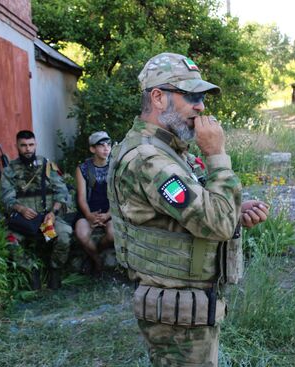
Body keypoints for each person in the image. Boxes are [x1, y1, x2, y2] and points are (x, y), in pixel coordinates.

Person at [107, 52, 269, 366]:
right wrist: (218, 155)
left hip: (186, 306)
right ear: (157, 97)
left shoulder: (164, 150)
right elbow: (217, 223)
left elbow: (191, 212)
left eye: (202, 98)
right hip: (177, 314)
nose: (201, 107)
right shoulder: (148, 158)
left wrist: (233, 209)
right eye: (191, 96)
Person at [1, 130, 72, 290]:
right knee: (10, 241)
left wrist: (53, 214)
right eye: (24, 145)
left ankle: (54, 270)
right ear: (17, 146)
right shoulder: (10, 170)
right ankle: (32, 269)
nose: (28, 149)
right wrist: (20, 209)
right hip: (23, 222)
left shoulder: (47, 166)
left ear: (35, 145)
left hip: (46, 222)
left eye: (31, 145)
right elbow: (6, 197)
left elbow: (62, 192)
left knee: (63, 235)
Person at [74, 131, 114, 275]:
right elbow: (82, 198)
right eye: (101, 145)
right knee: (82, 234)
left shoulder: (115, 167)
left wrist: (108, 215)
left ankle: (93, 254)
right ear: (92, 149)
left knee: (113, 234)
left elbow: (119, 197)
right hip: (89, 212)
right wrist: (89, 215)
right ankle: (97, 261)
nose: (106, 148)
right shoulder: (83, 169)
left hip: (110, 211)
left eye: (108, 145)